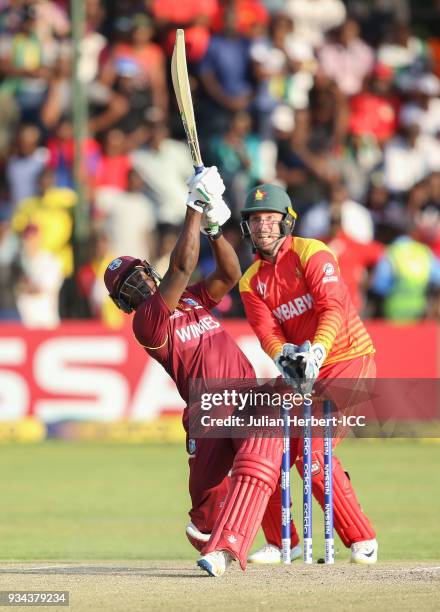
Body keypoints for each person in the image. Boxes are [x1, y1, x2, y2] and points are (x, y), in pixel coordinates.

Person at [103, 168, 284, 577]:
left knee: (261, 466)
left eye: (138, 274)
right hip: (209, 412)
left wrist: (217, 228)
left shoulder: (191, 300)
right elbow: (181, 268)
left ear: (148, 270)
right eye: (127, 286)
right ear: (123, 303)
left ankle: (277, 540)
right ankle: (211, 533)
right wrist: (193, 208)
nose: (138, 284)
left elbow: (229, 276)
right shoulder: (147, 322)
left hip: (247, 394)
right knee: (204, 514)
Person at [239, 183, 378, 564]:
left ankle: (362, 538)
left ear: (287, 221)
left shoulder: (312, 253)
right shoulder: (251, 280)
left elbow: (332, 307)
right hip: (304, 372)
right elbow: (268, 333)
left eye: (269, 219)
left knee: (313, 455)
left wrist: (317, 350)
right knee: (257, 443)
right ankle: (284, 541)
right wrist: (286, 356)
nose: (262, 226)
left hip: (349, 361)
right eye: (254, 220)